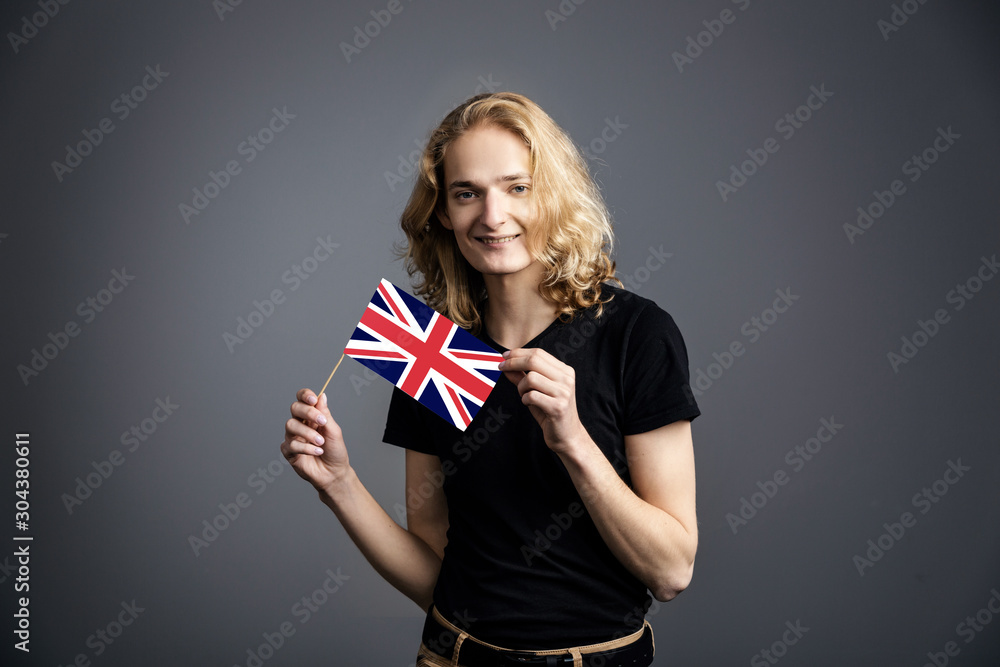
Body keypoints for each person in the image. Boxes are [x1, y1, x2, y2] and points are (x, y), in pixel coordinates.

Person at [280, 92, 700, 667]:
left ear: (553, 195)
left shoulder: (635, 334)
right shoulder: (432, 348)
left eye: (517, 187)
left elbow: (672, 570)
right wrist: (338, 483)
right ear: (444, 214)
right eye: (466, 193)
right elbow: (435, 576)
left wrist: (572, 440)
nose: (492, 215)